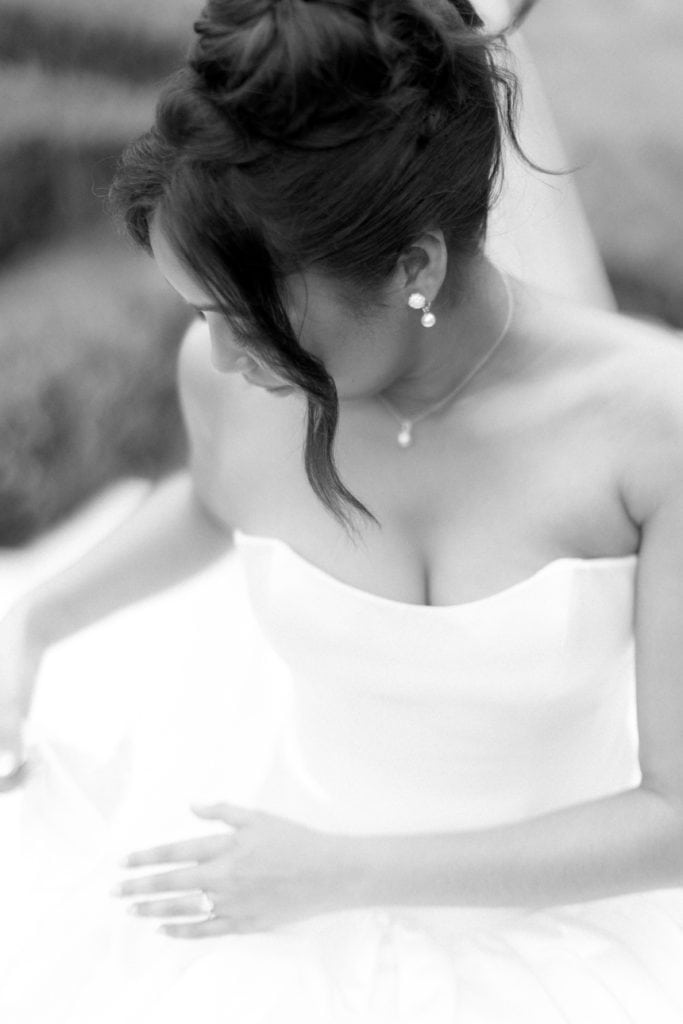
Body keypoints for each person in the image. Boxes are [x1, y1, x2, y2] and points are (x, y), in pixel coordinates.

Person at [3, 0, 683, 1020]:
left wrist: (340, 873)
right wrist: (36, 619)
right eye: (205, 316)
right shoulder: (231, 380)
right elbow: (213, 499)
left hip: (550, 933)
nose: (225, 358)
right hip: (271, 904)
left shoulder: (646, 425)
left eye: (250, 323)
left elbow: (672, 816)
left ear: (413, 265)